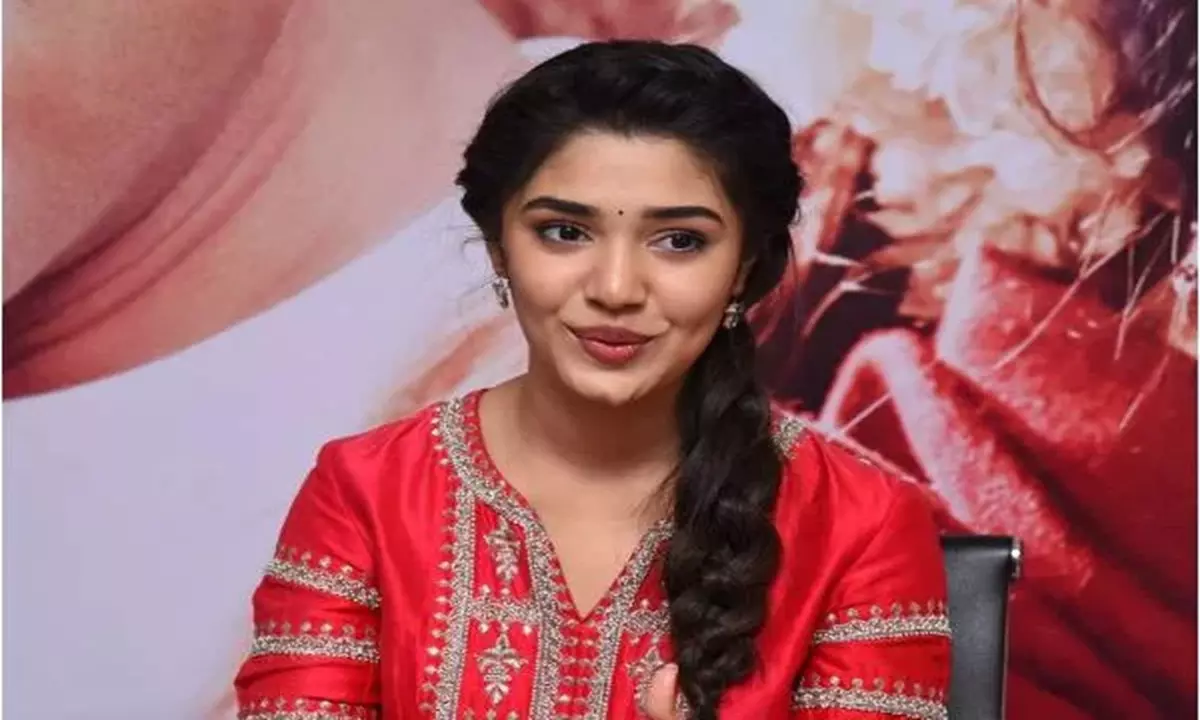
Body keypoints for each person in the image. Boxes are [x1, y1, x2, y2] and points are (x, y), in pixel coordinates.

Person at [233, 40, 949, 719]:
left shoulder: (860, 523)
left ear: (744, 268)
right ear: (498, 249)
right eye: (565, 232)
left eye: (680, 241)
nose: (615, 289)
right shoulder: (367, 492)